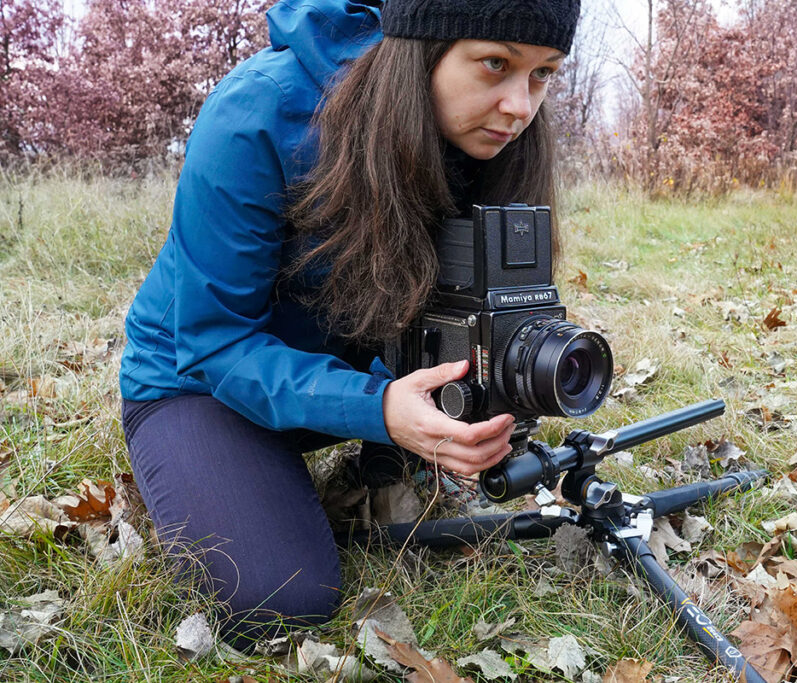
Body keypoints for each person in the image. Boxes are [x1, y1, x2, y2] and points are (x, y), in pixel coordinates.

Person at [119, 0, 580, 648]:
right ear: (424, 45)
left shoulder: (491, 132)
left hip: (351, 364)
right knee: (281, 597)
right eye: (495, 64)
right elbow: (214, 340)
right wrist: (380, 406)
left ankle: (383, 460)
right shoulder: (257, 115)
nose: (519, 107)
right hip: (194, 379)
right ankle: (196, 459)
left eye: (542, 75)